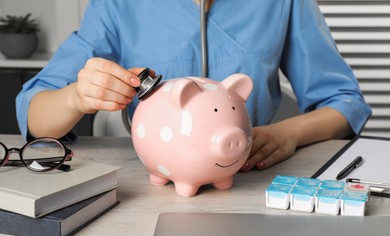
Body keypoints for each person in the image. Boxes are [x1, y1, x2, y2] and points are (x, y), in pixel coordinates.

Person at [16, 0, 372, 172]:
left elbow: (344, 103)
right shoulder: (117, 4)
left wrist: (287, 134)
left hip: (251, 180)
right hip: (142, 185)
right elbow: (35, 114)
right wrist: (77, 97)